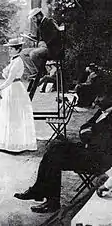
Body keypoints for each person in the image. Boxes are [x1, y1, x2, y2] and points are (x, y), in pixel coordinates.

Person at [14, 85, 112, 213]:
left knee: (55, 158)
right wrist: (89, 133)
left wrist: (90, 132)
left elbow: (101, 142)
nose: (97, 100)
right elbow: (84, 128)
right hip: (88, 150)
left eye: (101, 97)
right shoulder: (101, 111)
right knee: (55, 147)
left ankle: (51, 201)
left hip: (99, 161)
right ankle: (38, 191)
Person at [0, 38, 37, 153]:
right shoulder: (13, 60)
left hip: (15, 89)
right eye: (9, 48)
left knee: (15, 116)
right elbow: (6, 75)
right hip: (11, 89)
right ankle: (6, 143)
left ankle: (16, 144)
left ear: (18, 49)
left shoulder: (18, 62)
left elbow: (10, 79)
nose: (9, 50)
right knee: (9, 115)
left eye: (11, 48)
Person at [20, 8, 62, 77]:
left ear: (39, 16)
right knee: (23, 53)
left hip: (52, 49)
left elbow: (56, 35)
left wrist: (45, 43)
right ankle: (35, 72)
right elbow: (41, 38)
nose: (33, 21)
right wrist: (32, 37)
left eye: (34, 19)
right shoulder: (40, 25)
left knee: (33, 54)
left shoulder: (49, 22)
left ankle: (42, 73)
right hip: (42, 47)